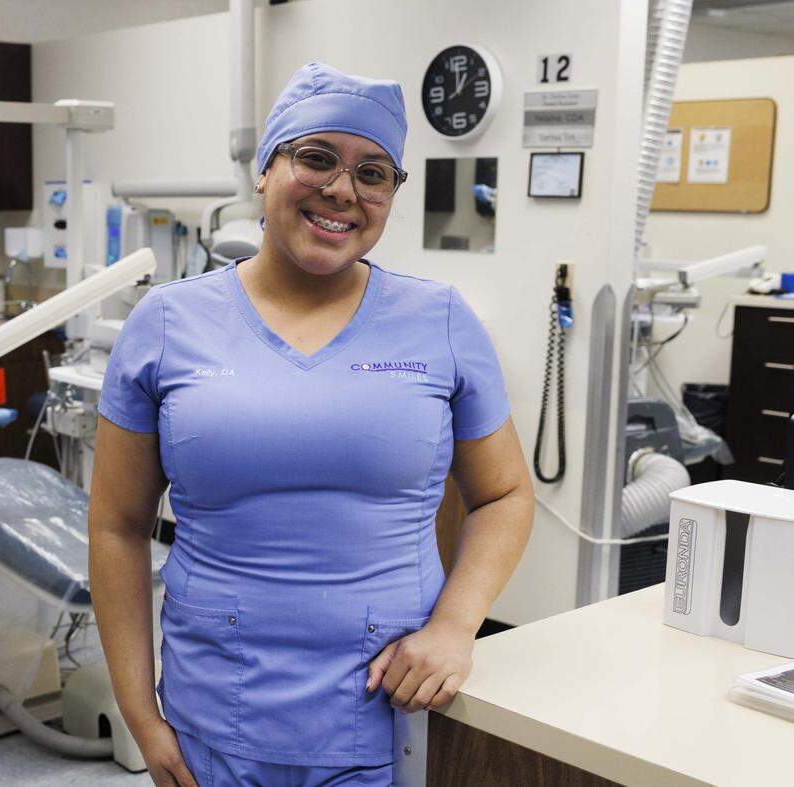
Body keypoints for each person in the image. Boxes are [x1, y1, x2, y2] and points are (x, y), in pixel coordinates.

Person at [88, 62, 533, 786]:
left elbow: (506, 495)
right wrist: (139, 711)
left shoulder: (441, 322)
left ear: (391, 194)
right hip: (217, 716)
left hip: (386, 714)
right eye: (316, 158)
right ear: (265, 171)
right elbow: (115, 524)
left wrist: (456, 624)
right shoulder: (167, 325)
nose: (341, 191)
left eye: (374, 172)